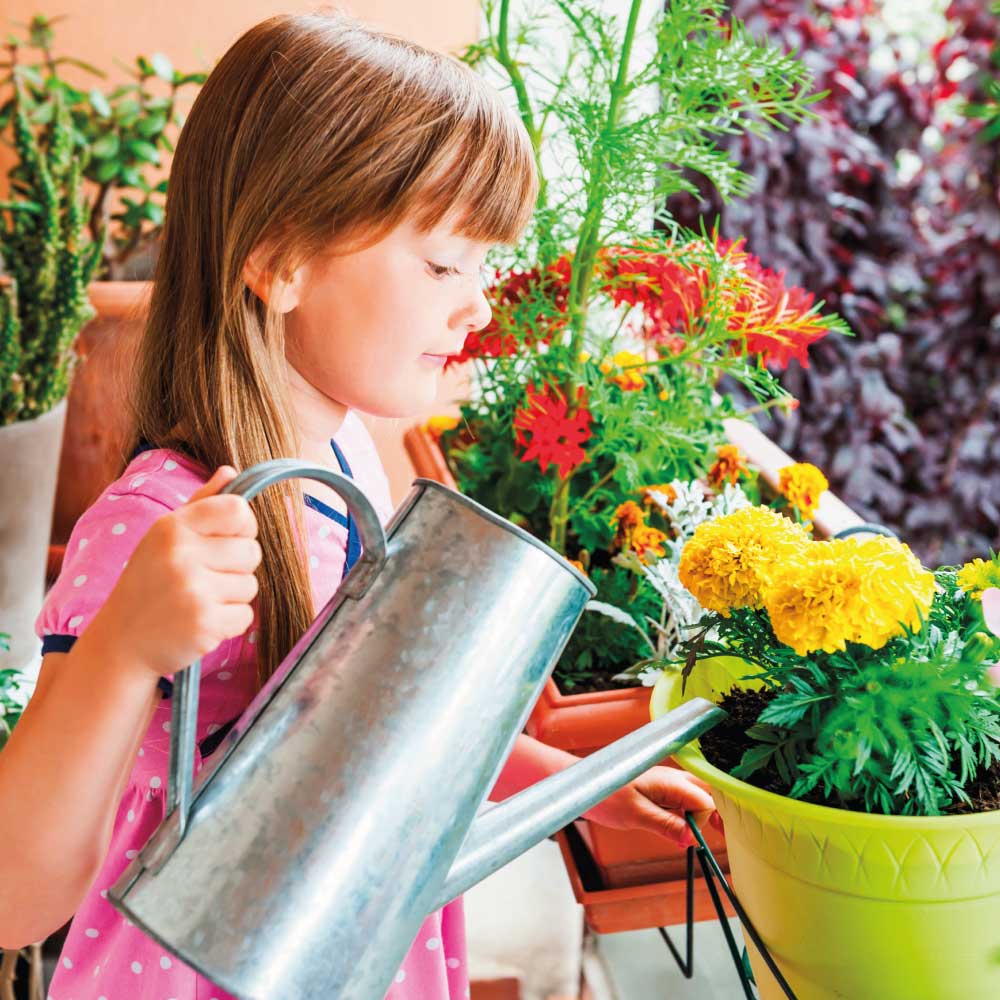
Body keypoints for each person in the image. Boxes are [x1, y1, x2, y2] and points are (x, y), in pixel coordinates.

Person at [0, 11, 715, 999]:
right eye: (441, 264)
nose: (475, 305)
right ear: (280, 258)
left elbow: (369, 718)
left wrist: (574, 785)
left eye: (483, 266)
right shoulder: (158, 529)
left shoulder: (346, 460)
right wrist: (124, 644)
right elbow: (15, 896)